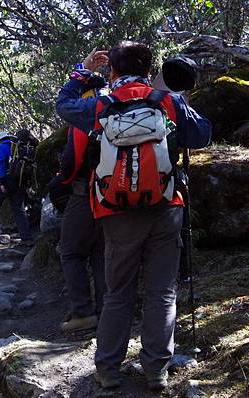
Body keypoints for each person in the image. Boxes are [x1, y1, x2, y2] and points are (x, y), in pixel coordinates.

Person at [56, 42, 211, 390]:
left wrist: (83, 72)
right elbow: (202, 135)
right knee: (161, 291)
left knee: (117, 292)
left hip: (115, 210)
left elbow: (63, 106)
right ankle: (156, 369)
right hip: (165, 207)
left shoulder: (101, 105)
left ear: (112, 71)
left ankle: (109, 369)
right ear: (147, 69)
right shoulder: (168, 101)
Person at [51, 83, 108, 333]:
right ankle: (108, 311)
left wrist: (61, 180)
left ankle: (83, 312)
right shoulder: (123, 110)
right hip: (117, 196)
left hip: (85, 195)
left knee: (71, 252)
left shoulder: (85, 119)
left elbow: (71, 163)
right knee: (101, 254)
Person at [0, 130, 33, 245]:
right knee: (19, 210)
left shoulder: (3, 147)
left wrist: (2, 183)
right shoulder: (21, 148)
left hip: (8, 181)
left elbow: (2, 166)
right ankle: (26, 238)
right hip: (21, 182)